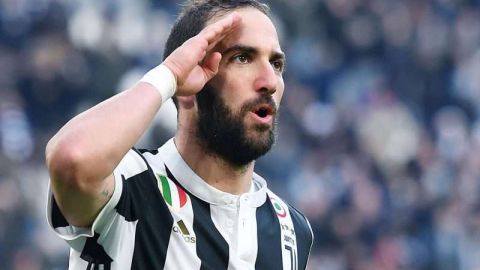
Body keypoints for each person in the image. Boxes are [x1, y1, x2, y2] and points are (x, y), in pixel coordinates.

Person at [45, 0, 313, 269]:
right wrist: (169, 76)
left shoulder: (291, 230)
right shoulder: (131, 185)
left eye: (276, 64)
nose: (269, 81)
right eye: (242, 58)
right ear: (190, 79)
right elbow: (72, 158)